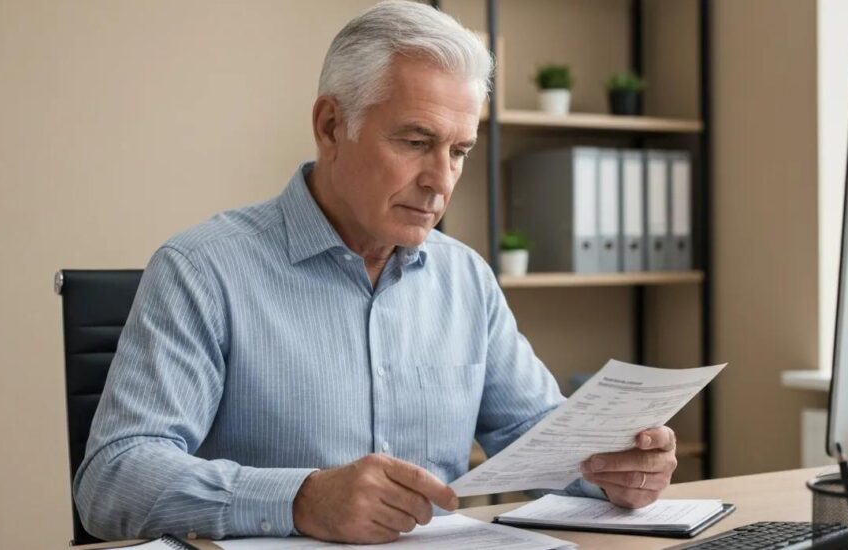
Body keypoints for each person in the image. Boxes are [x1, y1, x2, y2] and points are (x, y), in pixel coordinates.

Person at [74, 1, 678, 544]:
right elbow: (112, 478)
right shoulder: (202, 269)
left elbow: (533, 437)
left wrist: (611, 471)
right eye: (416, 142)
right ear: (332, 126)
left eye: (459, 151)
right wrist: (301, 499)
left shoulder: (465, 278)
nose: (441, 180)